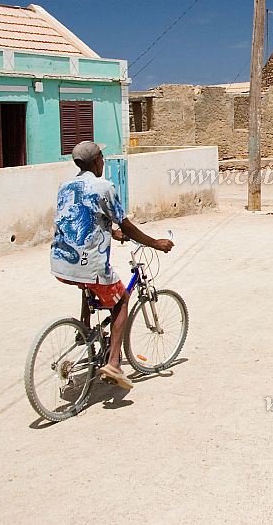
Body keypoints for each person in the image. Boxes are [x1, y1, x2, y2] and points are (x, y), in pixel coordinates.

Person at [51, 141, 173, 389]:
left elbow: (85, 217)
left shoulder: (65, 186)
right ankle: (114, 363)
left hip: (60, 263)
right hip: (90, 265)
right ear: (96, 161)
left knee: (88, 287)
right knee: (122, 300)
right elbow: (125, 223)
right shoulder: (103, 186)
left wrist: (111, 232)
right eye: (102, 158)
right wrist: (155, 243)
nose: (104, 162)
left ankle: (85, 332)